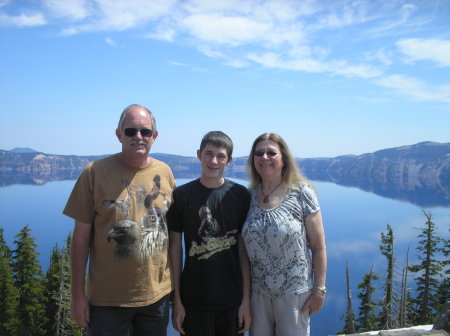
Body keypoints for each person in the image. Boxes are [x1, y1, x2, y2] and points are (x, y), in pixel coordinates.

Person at [63, 104, 176, 336]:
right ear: (118, 134)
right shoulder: (94, 172)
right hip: (107, 300)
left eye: (145, 132)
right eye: (130, 131)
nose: (138, 137)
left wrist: (176, 291)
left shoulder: (165, 172)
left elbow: (172, 234)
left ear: (154, 136)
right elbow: (81, 238)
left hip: (156, 297)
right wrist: (77, 295)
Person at [242, 133, 327, 336]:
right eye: (259, 153)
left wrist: (319, 290)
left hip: (294, 295)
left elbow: (318, 247)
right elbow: (243, 252)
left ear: (284, 158)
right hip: (258, 295)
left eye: (271, 152)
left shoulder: (301, 193)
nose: (264, 157)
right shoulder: (249, 197)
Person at [167, 131, 252, 336]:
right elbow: (175, 250)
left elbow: (243, 251)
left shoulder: (240, 196)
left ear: (229, 160)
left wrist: (246, 302)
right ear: (199, 155)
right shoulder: (182, 195)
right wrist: (176, 300)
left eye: (221, 156)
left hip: (232, 301)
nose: (214, 161)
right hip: (194, 302)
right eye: (209, 154)